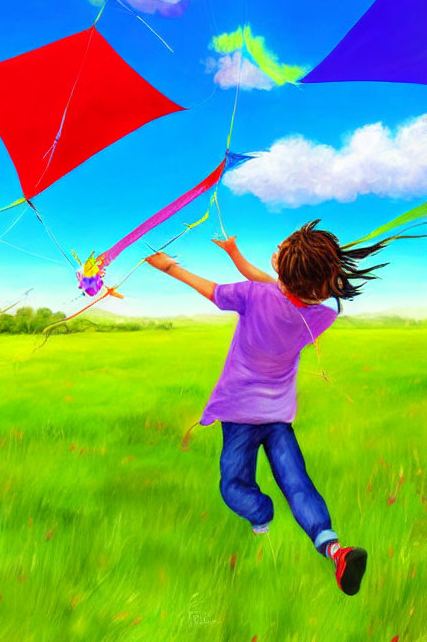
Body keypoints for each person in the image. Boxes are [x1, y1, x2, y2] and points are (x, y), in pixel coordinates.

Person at [147, 221, 390, 596]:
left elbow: (214, 290)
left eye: (284, 246)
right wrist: (234, 254)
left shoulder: (253, 296)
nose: (278, 244)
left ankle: (261, 515)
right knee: (298, 484)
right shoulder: (321, 314)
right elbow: (278, 290)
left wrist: (169, 267)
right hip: (278, 417)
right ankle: (334, 549)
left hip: (240, 415)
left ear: (285, 270)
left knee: (233, 484)